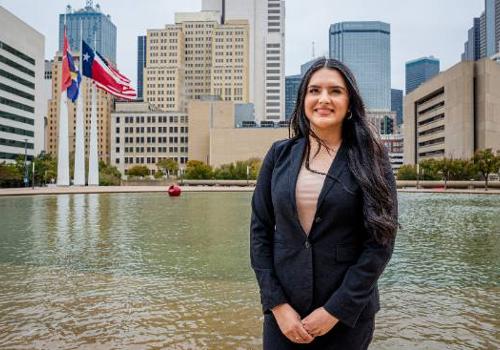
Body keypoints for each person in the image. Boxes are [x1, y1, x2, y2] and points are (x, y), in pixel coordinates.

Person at [250, 57, 398, 349]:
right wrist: (277, 305)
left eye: (335, 91)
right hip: (285, 315)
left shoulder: (371, 156)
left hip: (347, 317)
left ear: (349, 101)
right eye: (314, 90)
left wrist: (335, 310)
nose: (324, 99)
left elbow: (380, 243)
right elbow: (260, 232)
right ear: (303, 99)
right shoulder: (279, 154)